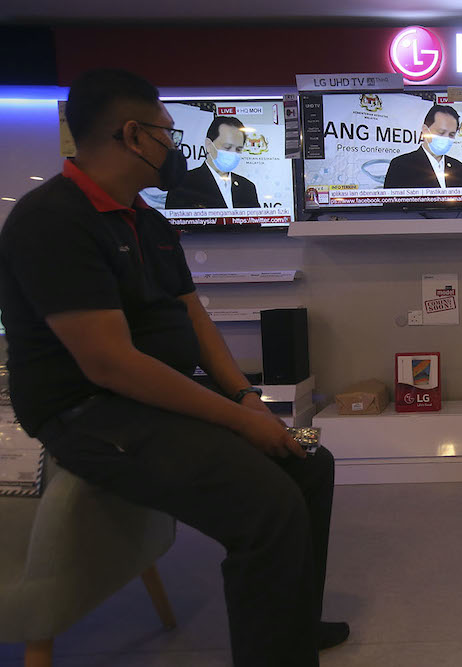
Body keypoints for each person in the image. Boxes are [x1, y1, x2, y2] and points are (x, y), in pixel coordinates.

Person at [0, 69, 348, 666]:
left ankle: (291, 622)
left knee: (308, 463)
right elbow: (111, 366)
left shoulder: (149, 221)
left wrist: (245, 399)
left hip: (157, 400)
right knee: (266, 502)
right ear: (133, 136)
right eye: (168, 130)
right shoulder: (51, 221)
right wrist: (242, 425)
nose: (176, 144)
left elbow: (195, 322)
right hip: (90, 413)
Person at [164, 116, 261, 209]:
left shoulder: (247, 187)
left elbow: (255, 224)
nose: (233, 153)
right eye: (227, 147)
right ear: (209, 145)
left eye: (238, 149)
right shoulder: (183, 185)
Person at [383, 104, 462, 189]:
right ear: (425, 130)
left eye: (451, 134)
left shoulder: (459, 168)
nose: (446, 138)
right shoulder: (401, 166)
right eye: (441, 133)